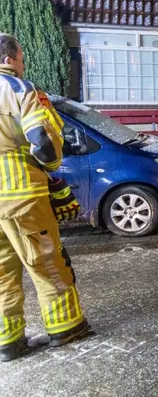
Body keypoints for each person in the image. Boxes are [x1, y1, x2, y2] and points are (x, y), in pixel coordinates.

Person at [0, 34, 91, 361]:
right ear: (10, 58)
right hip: (19, 194)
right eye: (21, 57)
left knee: (2, 273)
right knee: (46, 261)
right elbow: (45, 143)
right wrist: (49, 169)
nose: (23, 64)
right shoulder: (20, 90)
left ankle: (8, 341)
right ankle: (66, 326)